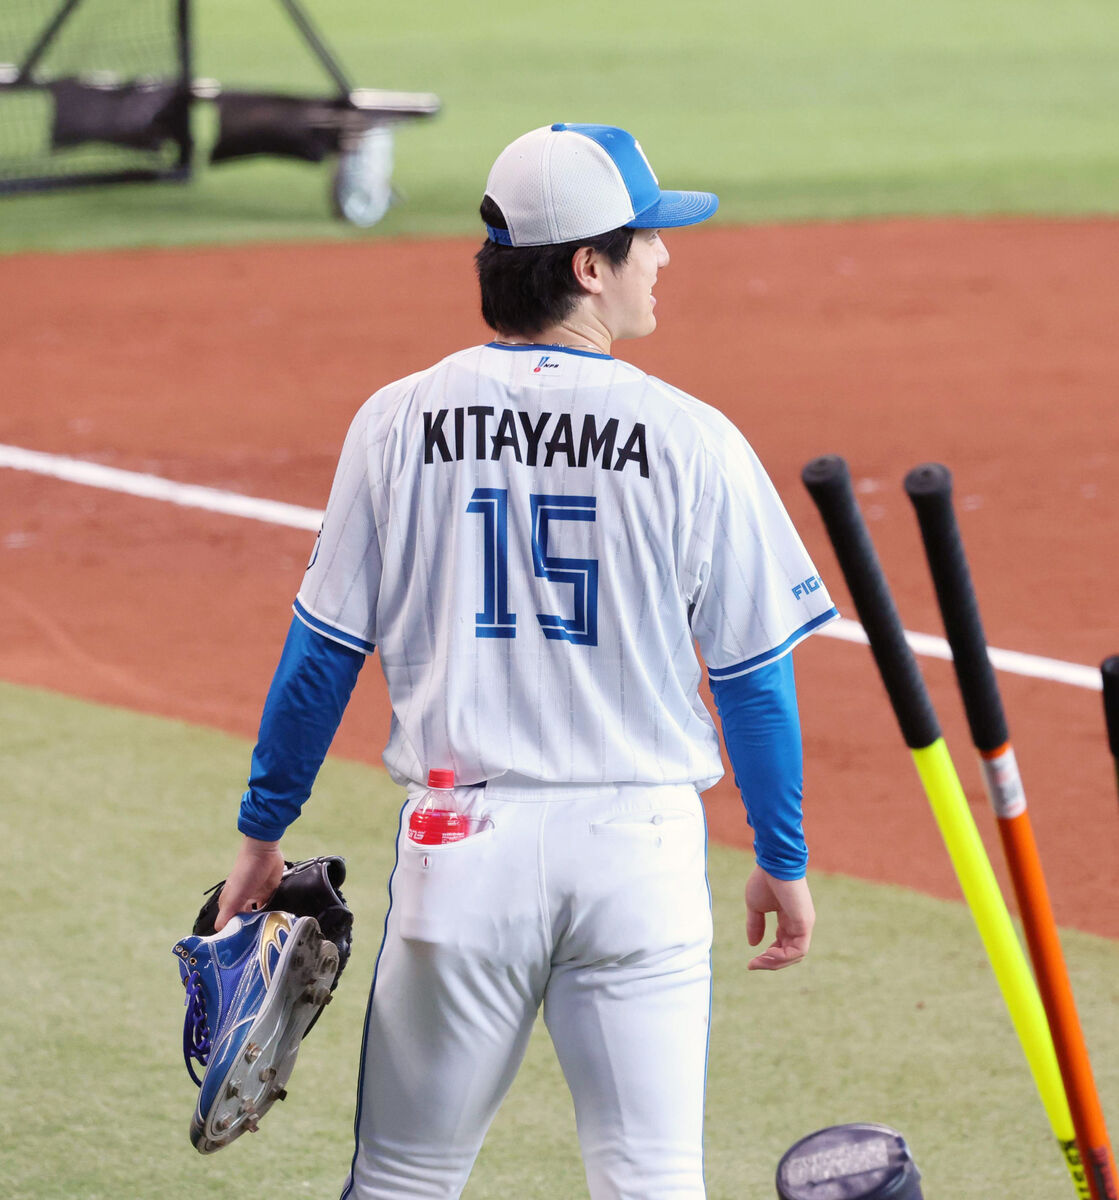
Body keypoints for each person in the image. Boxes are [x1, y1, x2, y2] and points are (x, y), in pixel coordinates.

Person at [212, 122, 839, 1199]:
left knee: (403, 1178)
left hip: (463, 853)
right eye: (645, 237)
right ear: (589, 266)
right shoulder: (693, 437)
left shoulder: (395, 420)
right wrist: (781, 853)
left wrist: (262, 835)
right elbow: (750, 679)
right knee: (652, 1180)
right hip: (640, 855)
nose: (663, 255)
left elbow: (322, 655)